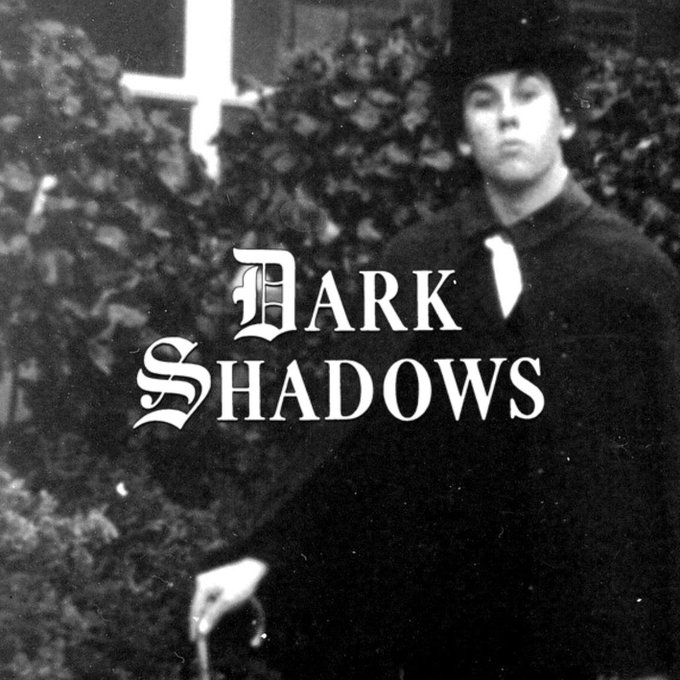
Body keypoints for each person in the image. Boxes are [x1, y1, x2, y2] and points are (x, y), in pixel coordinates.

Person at [189, 2, 680, 678]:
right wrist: (261, 555)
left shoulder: (633, 277)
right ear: (462, 136)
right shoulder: (417, 261)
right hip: (438, 627)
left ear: (566, 118)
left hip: (580, 636)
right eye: (484, 101)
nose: (507, 117)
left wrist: (653, 656)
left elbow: (661, 482)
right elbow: (349, 439)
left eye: (528, 95)